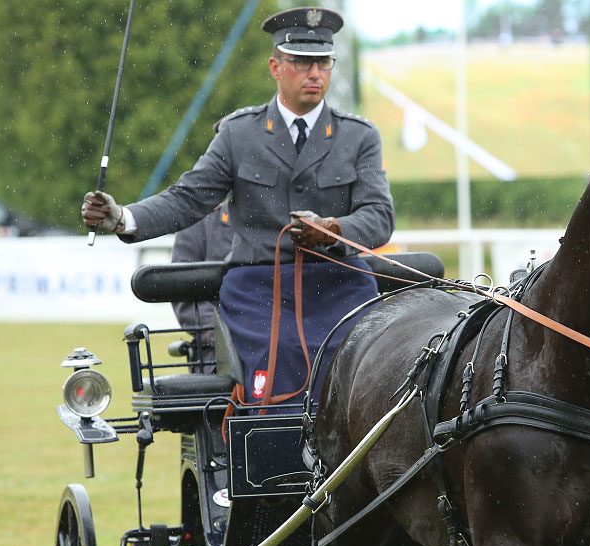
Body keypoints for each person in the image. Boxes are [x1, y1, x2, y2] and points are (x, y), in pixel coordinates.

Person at [82, 6, 394, 405]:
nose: (315, 73)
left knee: (367, 359)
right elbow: (189, 197)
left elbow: (379, 216)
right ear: (275, 67)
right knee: (279, 357)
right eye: (301, 62)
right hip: (259, 289)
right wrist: (124, 217)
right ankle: (280, 453)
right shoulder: (238, 134)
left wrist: (333, 230)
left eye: (324, 62)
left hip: (340, 283)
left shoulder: (360, 137)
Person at [170, 200, 233, 374]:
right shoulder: (198, 221)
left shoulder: (278, 219)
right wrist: (223, 335)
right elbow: (183, 291)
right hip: (218, 352)